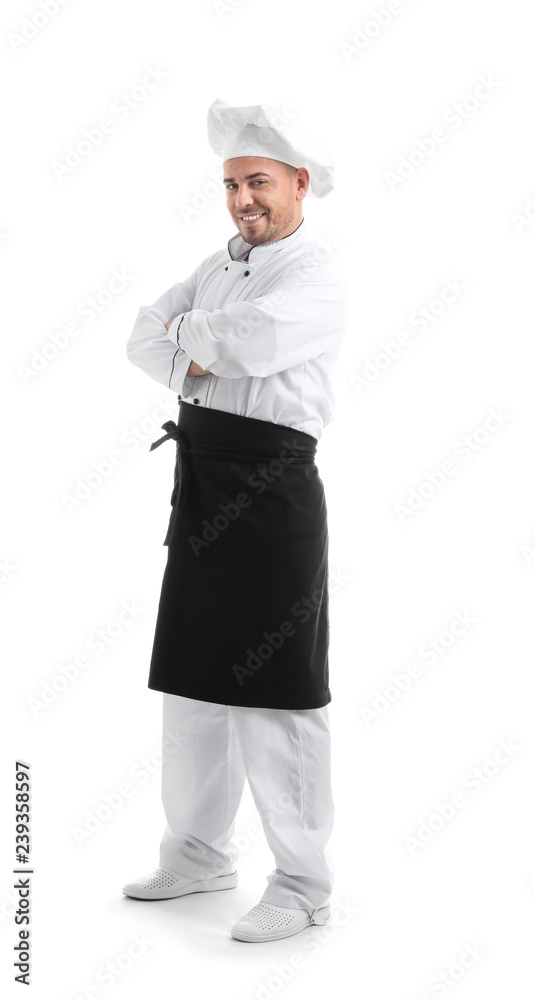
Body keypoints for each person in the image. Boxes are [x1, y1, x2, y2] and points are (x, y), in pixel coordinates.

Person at [122, 97, 347, 943]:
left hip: (273, 492)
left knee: (278, 694)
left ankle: (301, 882)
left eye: (258, 182)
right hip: (201, 488)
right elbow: (144, 340)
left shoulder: (316, 274)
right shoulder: (217, 267)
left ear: (297, 182)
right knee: (192, 683)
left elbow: (248, 344)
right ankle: (196, 853)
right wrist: (196, 333)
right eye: (230, 184)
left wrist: (195, 339)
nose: (243, 199)